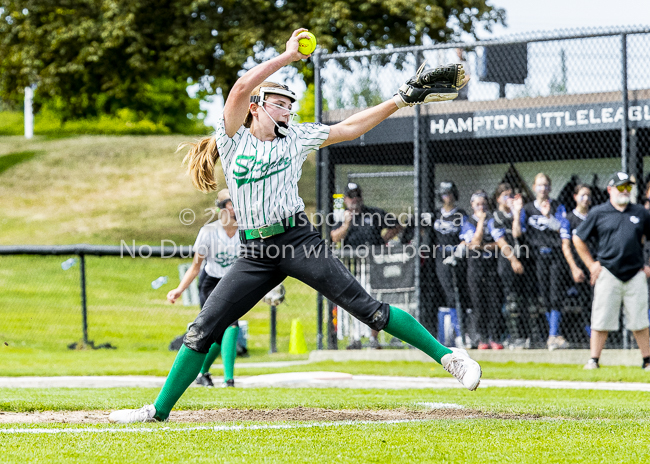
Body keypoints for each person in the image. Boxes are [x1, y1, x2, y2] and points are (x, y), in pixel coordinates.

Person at [108, 29, 479, 423]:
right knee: (201, 329)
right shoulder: (233, 140)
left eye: (289, 103)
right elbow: (239, 87)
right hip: (255, 252)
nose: (287, 109)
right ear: (257, 108)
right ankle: (157, 411)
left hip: (297, 241)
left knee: (368, 310)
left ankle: (448, 356)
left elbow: (351, 128)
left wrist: (399, 100)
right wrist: (286, 57)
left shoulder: (296, 137)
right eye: (279, 103)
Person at [573, 172, 650, 370]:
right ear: (610, 189)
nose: (625, 191)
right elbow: (577, 238)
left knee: (640, 320)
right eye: (621, 187)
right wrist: (591, 265)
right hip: (608, 272)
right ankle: (594, 360)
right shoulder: (599, 212)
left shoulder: (640, 212)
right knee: (600, 319)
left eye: (628, 187)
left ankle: (647, 360)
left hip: (635, 274)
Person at [166, 189, 240, 388]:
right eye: (231, 203)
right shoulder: (208, 232)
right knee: (214, 332)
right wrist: (179, 290)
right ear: (221, 208)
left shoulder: (246, 232)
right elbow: (195, 267)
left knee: (232, 326)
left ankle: (229, 380)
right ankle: (203, 373)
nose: (236, 208)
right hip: (211, 282)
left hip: (232, 283)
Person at [331, 182, 401, 349]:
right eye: (350, 196)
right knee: (352, 300)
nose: (354, 199)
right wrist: (346, 224)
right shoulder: (341, 217)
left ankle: (373, 338)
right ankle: (354, 338)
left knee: (373, 298)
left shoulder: (374, 213)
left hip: (373, 265)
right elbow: (335, 237)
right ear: (346, 199)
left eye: (356, 196)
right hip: (352, 265)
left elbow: (397, 226)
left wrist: (382, 241)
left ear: (361, 197)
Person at [515, 173, 572, 350]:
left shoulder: (557, 206)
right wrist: (517, 212)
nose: (543, 188)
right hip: (536, 257)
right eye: (539, 185)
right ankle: (553, 334)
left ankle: (553, 335)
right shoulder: (528, 209)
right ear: (533, 187)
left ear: (550, 187)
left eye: (546, 185)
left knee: (555, 294)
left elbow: (562, 229)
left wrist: (548, 217)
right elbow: (517, 233)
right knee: (545, 295)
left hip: (555, 255)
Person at [460, 190, 504, 349]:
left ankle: (495, 337)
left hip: (491, 266)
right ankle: (482, 338)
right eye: (478, 204)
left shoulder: (494, 219)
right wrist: (481, 222)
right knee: (478, 303)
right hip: (475, 267)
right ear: (472, 205)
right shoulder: (468, 222)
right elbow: (474, 242)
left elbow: (500, 243)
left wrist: (481, 247)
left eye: (484, 204)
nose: (481, 207)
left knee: (494, 302)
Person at [489, 183, 528, 349]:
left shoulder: (518, 214)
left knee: (524, 300)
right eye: (505, 195)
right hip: (507, 262)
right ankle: (513, 336)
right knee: (510, 301)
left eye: (511, 195)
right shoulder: (495, 218)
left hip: (524, 259)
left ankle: (525, 335)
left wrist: (517, 212)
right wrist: (513, 260)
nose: (509, 198)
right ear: (498, 198)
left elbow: (516, 233)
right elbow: (502, 241)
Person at [433, 181, 468, 348]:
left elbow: (466, 235)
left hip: (456, 258)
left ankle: (460, 333)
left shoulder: (460, 214)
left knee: (455, 294)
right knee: (444, 294)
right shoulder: (434, 214)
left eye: (450, 193)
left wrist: (458, 252)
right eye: (444, 194)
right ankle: (444, 335)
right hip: (439, 257)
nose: (447, 197)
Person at [563, 184, 594, 345]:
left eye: (588, 195)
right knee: (584, 302)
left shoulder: (594, 216)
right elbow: (565, 245)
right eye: (582, 195)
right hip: (579, 268)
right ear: (575, 197)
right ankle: (590, 335)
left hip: (596, 267)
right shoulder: (569, 219)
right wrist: (574, 268)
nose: (586, 199)